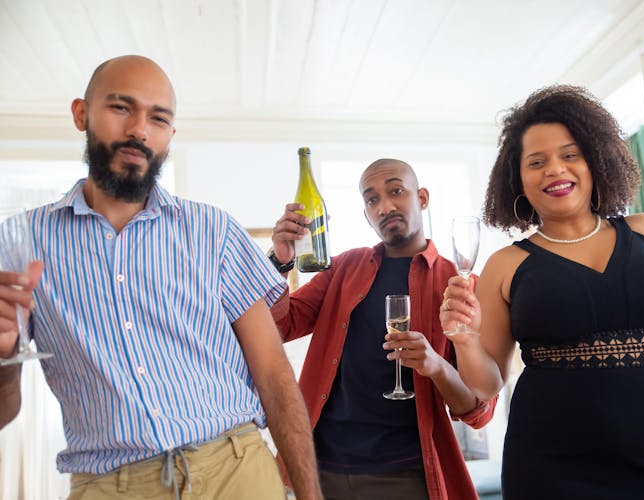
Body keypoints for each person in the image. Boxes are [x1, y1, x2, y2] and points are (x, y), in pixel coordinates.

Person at [0, 55, 323, 500]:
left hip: (238, 472)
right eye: (120, 107)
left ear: (170, 135)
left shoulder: (213, 230)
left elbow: (274, 376)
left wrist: (309, 495)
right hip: (109, 486)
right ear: (81, 113)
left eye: (158, 117)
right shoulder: (19, 245)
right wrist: (5, 360)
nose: (139, 129)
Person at [440, 85, 644, 500]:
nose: (555, 169)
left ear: (597, 160)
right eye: (537, 161)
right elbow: (487, 385)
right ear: (518, 179)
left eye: (570, 155)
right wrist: (465, 340)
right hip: (551, 474)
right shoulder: (505, 264)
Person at [267, 159, 497, 500]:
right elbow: (280, 327)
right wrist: (279, 262)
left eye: (396, 191)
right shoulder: (344, 267)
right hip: (320, 470)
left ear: (421, 197)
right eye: (372, 199)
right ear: (366, 214)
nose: (385, 206)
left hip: (406, 476)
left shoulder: (459, 285)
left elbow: (478, 412)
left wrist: (436, 366)